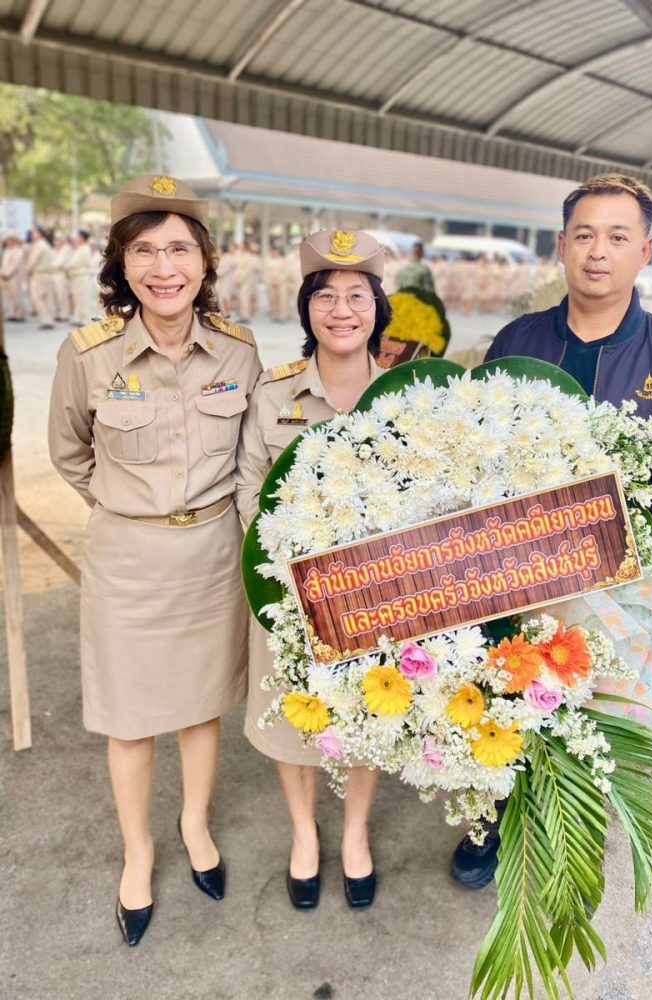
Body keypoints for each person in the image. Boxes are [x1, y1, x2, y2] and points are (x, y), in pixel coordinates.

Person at [451, 172, 652, 890]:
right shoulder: (519, 338)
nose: (599, 251)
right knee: (505, 691)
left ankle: (573, 826)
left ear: (646, 251)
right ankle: (492, 814)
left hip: (612, 575)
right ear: (562, 245)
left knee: (593, 710)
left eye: (618, 237)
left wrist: (608, 550)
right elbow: (479, 445)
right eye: (586, 235)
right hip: (513, 566)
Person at [48, 175, 262, 946]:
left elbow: (252, 456)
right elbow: (69, 453)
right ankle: (138, 851)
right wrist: (130, 508)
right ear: (121, 264)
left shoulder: (239, 349)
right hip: (128, 563)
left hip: (211, 556)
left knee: (201, 703)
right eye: (144, 250)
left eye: (179, 249)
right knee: (129, 716)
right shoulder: (88, 355)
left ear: (204, 262)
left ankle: (194, 824)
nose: (163, 267)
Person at [236, 230, 391, 911]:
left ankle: (355, 831)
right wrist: (286, 565)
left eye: (358, 295)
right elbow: (248, 486)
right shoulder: (274, 394)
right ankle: (304, 831)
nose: (341, 310)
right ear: (306, 309)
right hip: (288, 592)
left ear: (378, 310)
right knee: (288, 716)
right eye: (324, 296)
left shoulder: (406, 396)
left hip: (378, 596)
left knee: (372, 708)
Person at [27, 227, 56, 329]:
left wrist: (28, 270)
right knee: (46, 298)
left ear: (39, 234)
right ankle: (49, 319)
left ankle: (46, 320)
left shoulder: (39, 245)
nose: (32, 235)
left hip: (39, 274)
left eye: (34, 233)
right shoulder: (45, 244)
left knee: (37, 298)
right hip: (46, 274)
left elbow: (32, 261)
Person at [0, 232, 27, 321]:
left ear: (14, 241)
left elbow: (14, 265)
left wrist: (6, 273)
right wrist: (2, 272)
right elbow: (4, 264)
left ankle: (20, 314)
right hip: (7, 276)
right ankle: (12, 313)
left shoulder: (18, 251)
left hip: (15, 276)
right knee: (10, 296)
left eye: (9, 240)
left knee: (17, 296)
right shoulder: (7, 250)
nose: (7, 242)